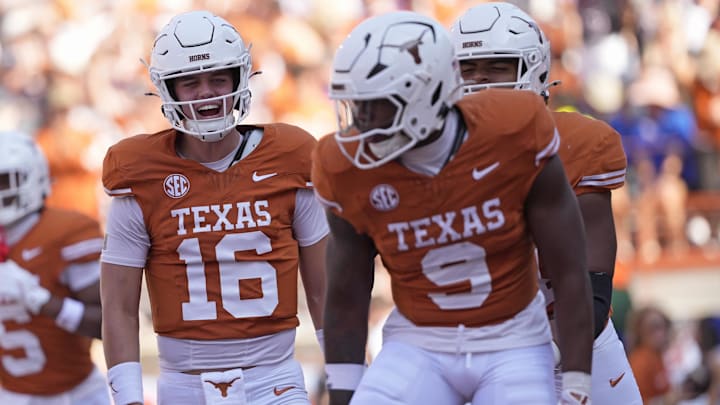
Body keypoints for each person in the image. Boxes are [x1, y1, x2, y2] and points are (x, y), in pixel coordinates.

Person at [313, 10, 594, 405]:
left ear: (427, 95)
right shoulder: (344, 167)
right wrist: (342, 396)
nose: (363, 122)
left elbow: (568, 268)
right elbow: (347, 293)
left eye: (379, 106)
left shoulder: (512, 130)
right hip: (419, 341)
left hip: (512, 339)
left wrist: (579, 382)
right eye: (358, 105)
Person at [100, 10, 328, 405]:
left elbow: (327, 290)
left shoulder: (290, 157)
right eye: (190, 82)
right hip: (184, 384)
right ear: (167, 90)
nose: (207, 92)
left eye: (218, 78)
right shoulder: (139, 173)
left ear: (240, 79)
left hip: (273, 378)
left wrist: (347, 375)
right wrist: (129, 399)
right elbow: (118, 305)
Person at [449, 3, 643, 404]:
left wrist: (550, 355)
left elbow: (593, 286)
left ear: (533, 69)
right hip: (485, 351)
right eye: (468, 68)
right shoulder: (431, 157)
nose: (480, 81)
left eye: (497, 67)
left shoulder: (579, 145)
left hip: (577, 343)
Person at [0, 131, 108, 404]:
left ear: (32, 178)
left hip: (76, 393)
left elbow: (108, 325)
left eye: (4, 181)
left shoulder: (65, 232)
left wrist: (41, 300)